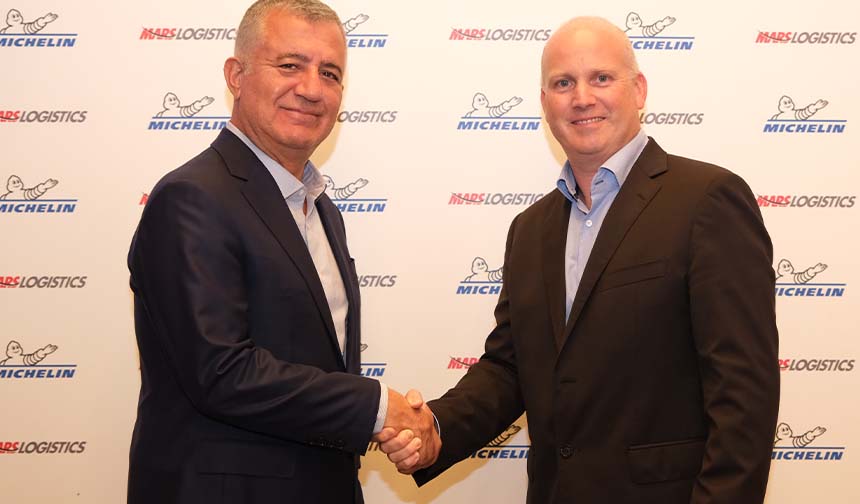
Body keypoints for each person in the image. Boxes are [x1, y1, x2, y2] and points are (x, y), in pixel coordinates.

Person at [382, 16, 779, 503]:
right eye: (563, 83)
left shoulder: (707, 200)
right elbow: (509, 368)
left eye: (601, 78)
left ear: (639, 90)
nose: (582, 97)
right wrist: (435, 428)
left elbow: (744, 395)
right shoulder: (530, 230)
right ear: (545, 103)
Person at [126, 1, 436, 503]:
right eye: (290, 65)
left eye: (330, 73)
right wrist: (379, 408)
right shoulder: (192, 197)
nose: (311, 88)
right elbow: (221, 372)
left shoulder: (322, 209)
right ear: (236, 75)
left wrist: (386, 422)